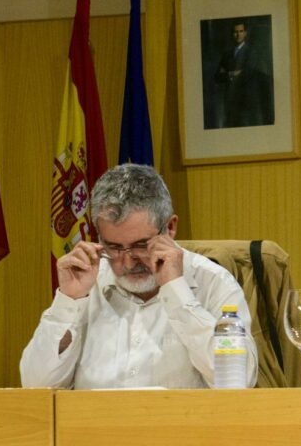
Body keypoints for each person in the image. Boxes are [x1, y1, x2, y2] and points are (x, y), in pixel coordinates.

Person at [20, 163, 257, 389]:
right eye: (113, 247)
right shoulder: (85, 284)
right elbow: (35, 386)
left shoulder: (213, 282)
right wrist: (68, 302)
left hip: (180, 430)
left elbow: (240, 381)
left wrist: (177, 292)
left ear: (170, 227)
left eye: (141, 245)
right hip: (93, 429)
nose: (127, 261)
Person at [213, 21, 269, 128]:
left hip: (246, 102)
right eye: (235, 32)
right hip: (229, 102)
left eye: (241, 31)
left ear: (245, 33)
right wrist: (232, 73)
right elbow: (217, 77)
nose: (238, 34)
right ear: (232, 34)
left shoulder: (251, 53)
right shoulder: (227, 54)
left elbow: (248, 73)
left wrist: (229, 73)